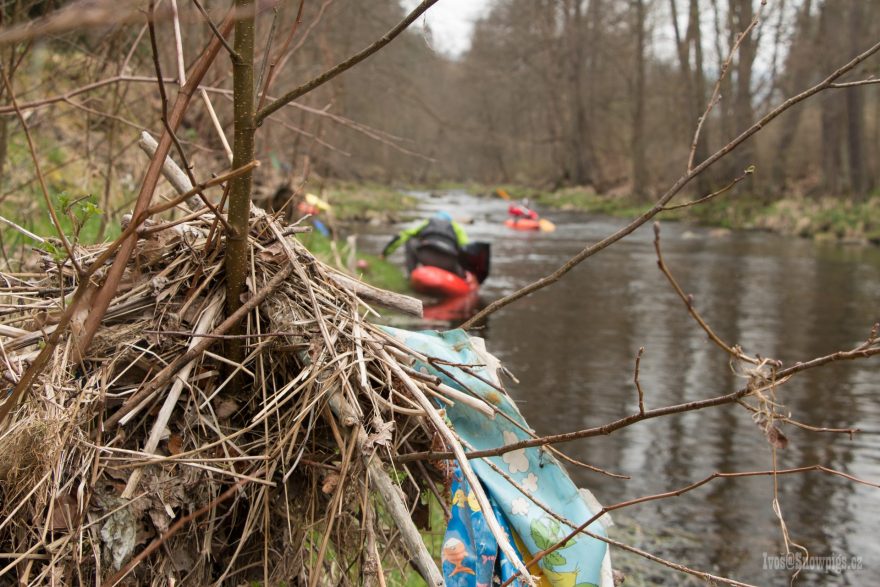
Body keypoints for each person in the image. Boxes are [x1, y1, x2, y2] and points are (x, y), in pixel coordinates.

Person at [381, 211, 469, 277]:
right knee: (461, 253)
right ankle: (462, 277)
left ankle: (411, 275)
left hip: (427, 257)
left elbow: (403, 235)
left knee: (411, 240)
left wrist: (384, 253)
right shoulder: (456, 227)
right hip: (449, 262)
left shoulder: (428, 222)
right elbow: (467, 248)